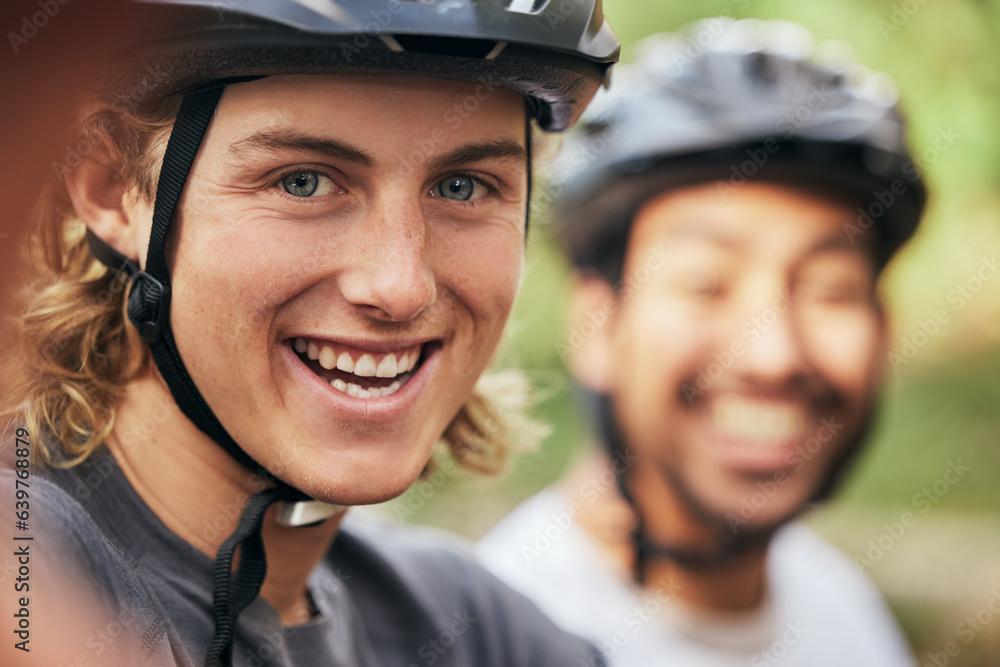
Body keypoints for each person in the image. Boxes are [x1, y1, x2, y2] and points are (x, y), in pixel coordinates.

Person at [0, 1, 620, 665]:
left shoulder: (478, 629)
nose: (399, 285)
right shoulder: (28, 566)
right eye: (304, 181)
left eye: (463, 187)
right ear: (113, 191)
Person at [477, 18, 924, 667]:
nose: (773, 355)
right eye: (706, 284)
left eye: (830, 290)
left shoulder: (842, 609)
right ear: (598, 324)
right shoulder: (495, 637)